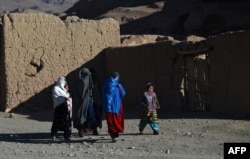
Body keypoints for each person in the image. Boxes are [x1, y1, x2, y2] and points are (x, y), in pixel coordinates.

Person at [73, 67, 100, 137]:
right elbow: (81, 90)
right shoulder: (80, 81)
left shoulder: (89, 79)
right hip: (80, 103)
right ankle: (81, 130)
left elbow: (93, 89)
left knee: (91, 115)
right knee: (81, 116)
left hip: (90, 100)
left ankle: (91, 128)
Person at [102, 71, 126, 142]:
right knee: (116, 119)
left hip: (108, 107)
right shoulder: (118, 85)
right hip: (117, 106)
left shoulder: (106, 84)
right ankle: (116, 133)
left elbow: (104, 95)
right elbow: (123, 93)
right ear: (116, 77)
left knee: (110, 121)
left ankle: (113, 134)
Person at [51, 76, 72, 141]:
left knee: (67, 121)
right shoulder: (56, 88)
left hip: (66, 107)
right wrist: (64, 98)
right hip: (58, 107)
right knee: (57, 121)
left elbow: (68, 96)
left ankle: (67, 136)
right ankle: (53, 134)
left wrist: (67, 92)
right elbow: (56, 97)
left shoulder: (64, 90)